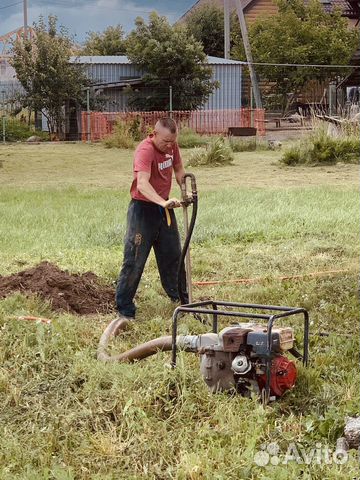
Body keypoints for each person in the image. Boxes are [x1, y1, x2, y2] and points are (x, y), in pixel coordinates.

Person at [115, 117, 187, 319]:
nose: (169, 145)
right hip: (143, 209)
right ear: (154, 135)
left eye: (172, 141)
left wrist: (185, 189)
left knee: (173, 256)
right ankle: (125, 309)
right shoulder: (145, 150)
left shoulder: (172, 146)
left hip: (164, 209)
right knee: (134, 260)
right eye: (165, 141)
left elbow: (179, 170)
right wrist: (161, 202)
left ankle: (181, 301)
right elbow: (142, 184)